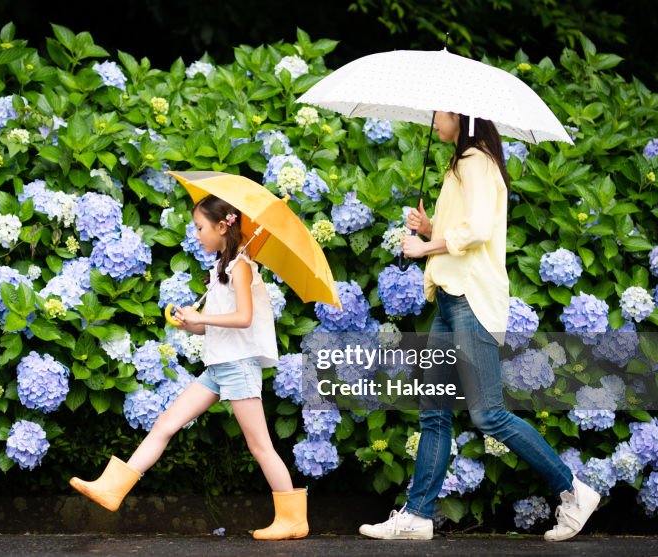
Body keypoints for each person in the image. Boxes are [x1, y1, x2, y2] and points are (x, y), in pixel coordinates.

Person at [358, 112, 599, 542]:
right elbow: (462, 231)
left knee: (488, 413)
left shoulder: (477, 162)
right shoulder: (462, 163)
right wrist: (431, 227)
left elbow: (481, 229)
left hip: (470, 299)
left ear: (462, 117)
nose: (434, 120)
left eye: (441, 113)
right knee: (434, 412)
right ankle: (417, 516)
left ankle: (573, 490)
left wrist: (425, 245)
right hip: (451, 300)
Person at [69, 194, 308, 540]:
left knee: (260, 446)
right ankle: (112, 488)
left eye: (200, 227)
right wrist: (191, 323)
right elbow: (215, 324)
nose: (196, 234)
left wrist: (203, 316)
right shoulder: (222, 268)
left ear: (223, 226)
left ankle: (293, 519)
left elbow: (243, 318)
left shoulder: (242, 266)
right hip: (217, 367)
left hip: (238, 366)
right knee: (166, 423)